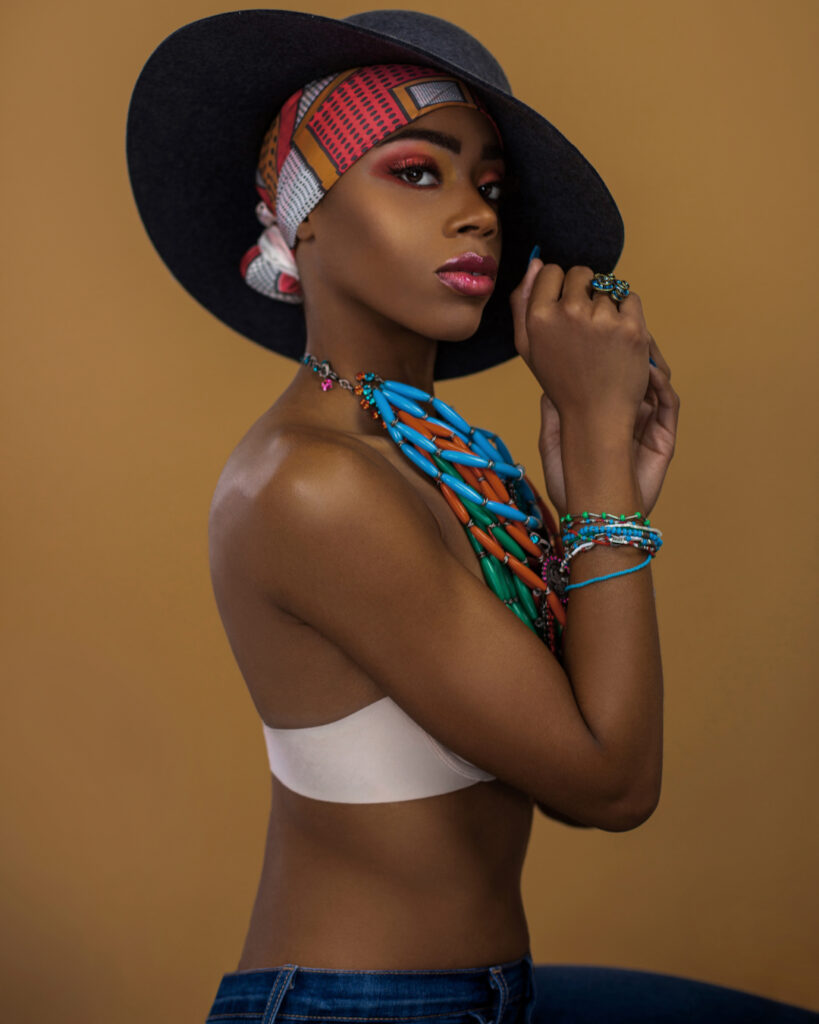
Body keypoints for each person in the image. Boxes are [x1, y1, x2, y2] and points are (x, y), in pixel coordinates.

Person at [125, 10, 817, 1024]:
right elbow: (610, 783)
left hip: (489, 994)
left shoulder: (443, 462)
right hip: (358, 1007)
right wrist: (598, 483)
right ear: (303, 215)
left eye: (489, 185)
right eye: (418, 171)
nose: (479, 215)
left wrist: (599, 485)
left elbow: (566, 715)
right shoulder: (313, 487)